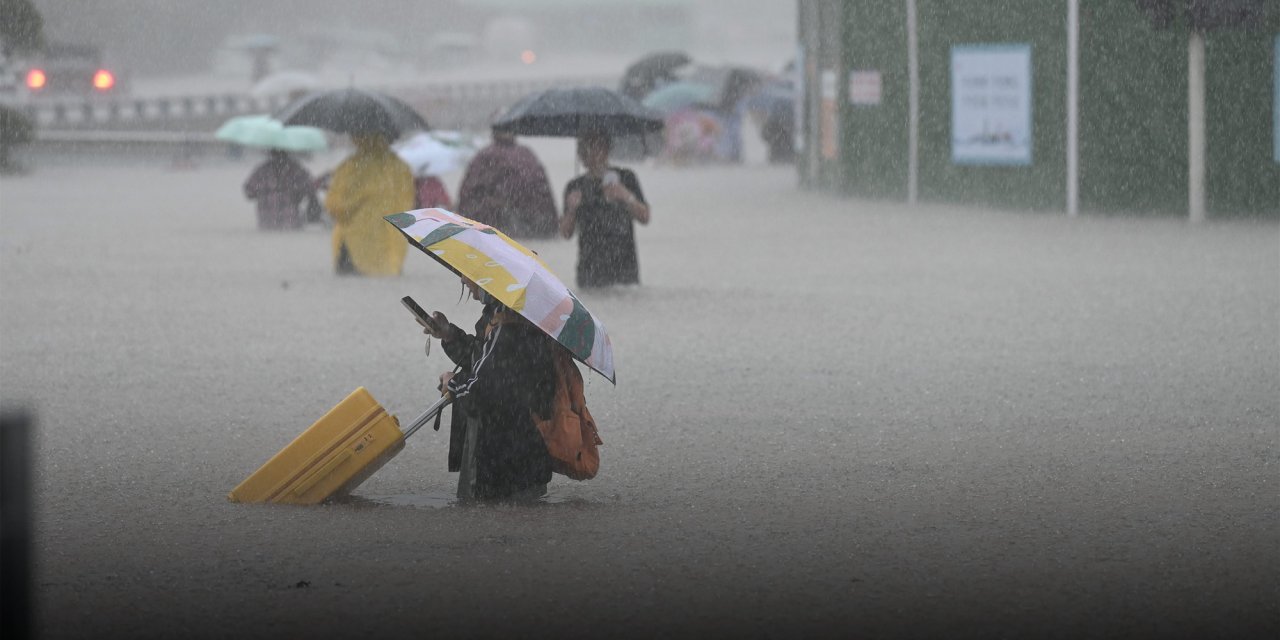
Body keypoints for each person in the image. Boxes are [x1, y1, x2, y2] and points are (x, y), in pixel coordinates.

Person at [420, 277, 556, 503]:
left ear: (489, 279)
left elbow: (481, 390)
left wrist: (453, 383)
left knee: (486, 522)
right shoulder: (505, 314)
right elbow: (484, 358)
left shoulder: (509, 325)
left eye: (468, 278)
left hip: (501, 460)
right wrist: (448, 334)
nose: (465, 283)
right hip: (520, 458)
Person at [560, 130, 651, 288]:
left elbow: (645, 217)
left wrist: (626, 196)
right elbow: (566, 233)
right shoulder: (575, 187)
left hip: (625, 269)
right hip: (589, 271)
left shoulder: (626, 177)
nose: (592, 153)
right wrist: (571, 209)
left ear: (607, 149)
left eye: (597, 147)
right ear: (581, 154)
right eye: (586, 148)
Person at [324, 132, 415, 276]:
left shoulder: (352, 166)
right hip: (391, 247)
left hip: (353, 247)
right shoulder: (401, 167)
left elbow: (335, 206)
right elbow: (408, 205)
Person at [456, 126, 558, 238]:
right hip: (516, 219)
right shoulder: (524, 154)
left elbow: (469, 192)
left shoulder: (485, 156)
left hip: (506, 220)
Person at [242, 149, 320, 230]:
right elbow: (310, 188)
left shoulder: (261, 170)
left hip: (267, 222)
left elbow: (249, 192)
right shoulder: (296, 169)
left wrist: (264, 192)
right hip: (290, 221)